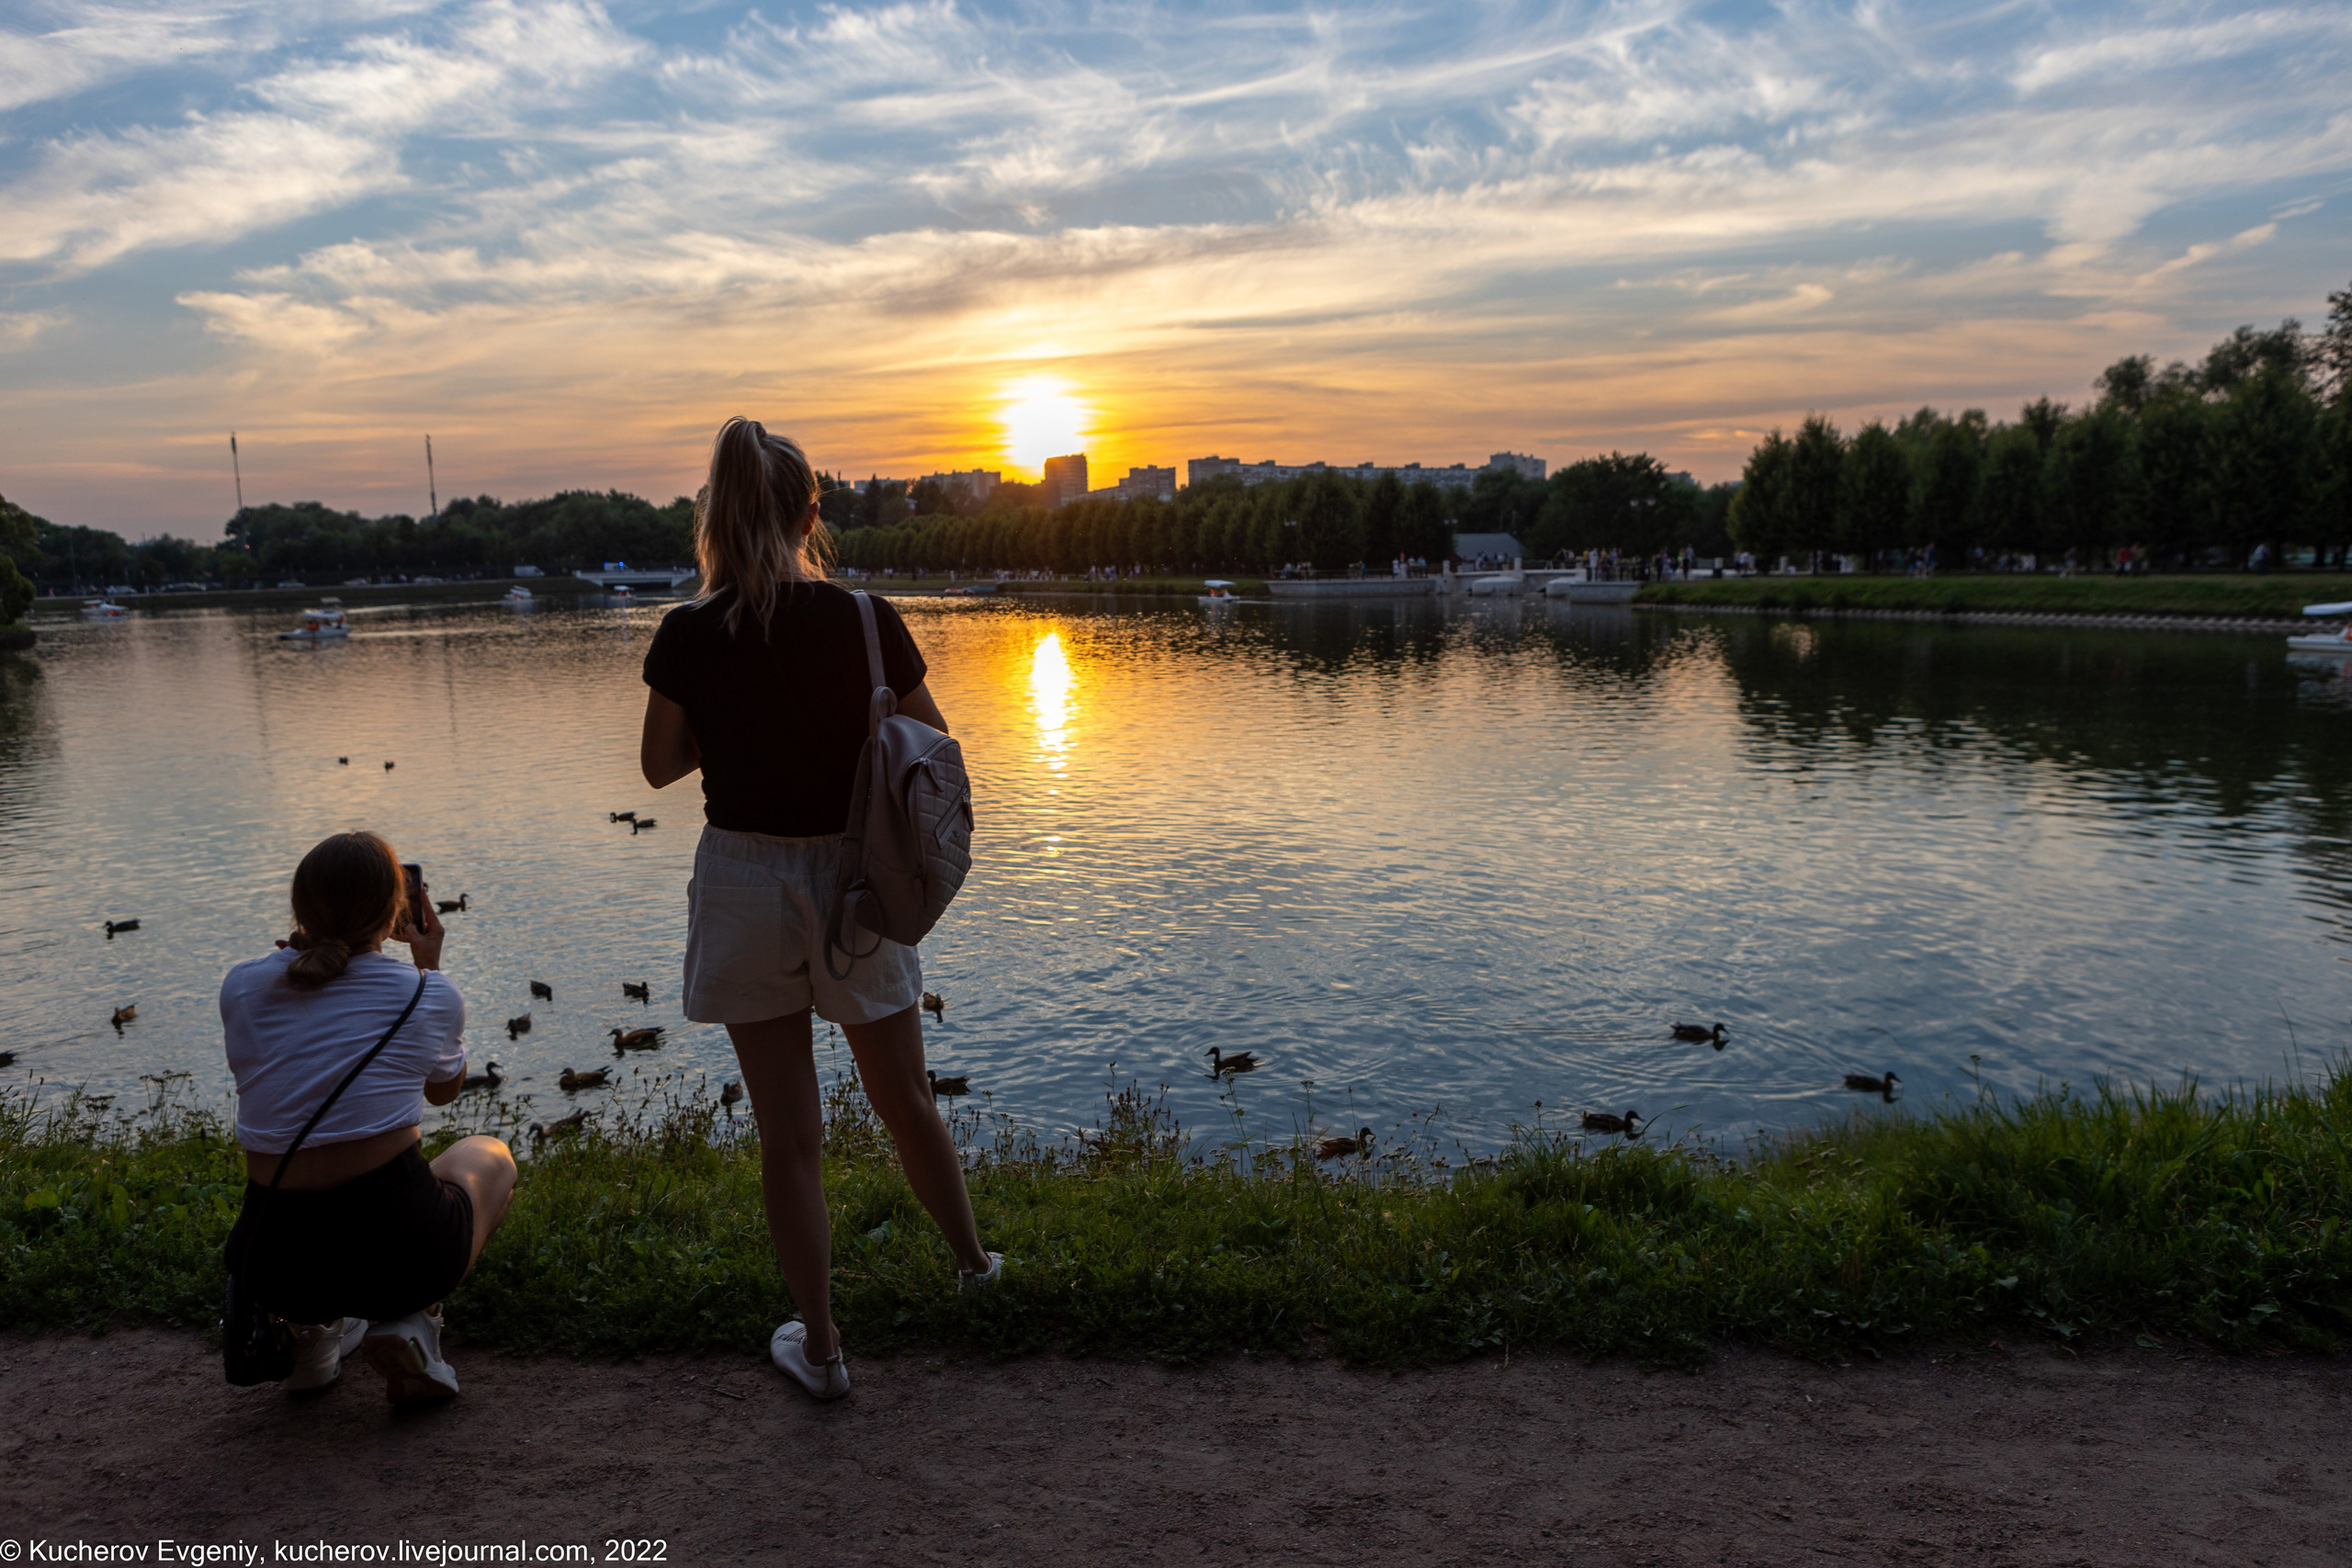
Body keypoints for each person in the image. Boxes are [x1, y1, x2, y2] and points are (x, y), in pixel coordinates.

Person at [639, 415, 1000, 1402]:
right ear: (810, 512)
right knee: (905, 1099)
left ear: (714, 514)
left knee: (787, 1137)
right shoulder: (866, 620)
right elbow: (935, 750)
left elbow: (660, 767)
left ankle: (826, 1348)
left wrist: (742, 726)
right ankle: (975, 1271)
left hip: (744, 884)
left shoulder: (688, 633)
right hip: (856, 884)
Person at [221, 830, 515, 1403]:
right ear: (396, 913)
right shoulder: (428, 993)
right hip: (401, 1261)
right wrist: (429, 967)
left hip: (278, 1268)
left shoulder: (242, 987)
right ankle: (412, 1326)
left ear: (300, 907)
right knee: (490, 1156)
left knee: (317, 1195)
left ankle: (309, 1339)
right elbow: (444, 1092)